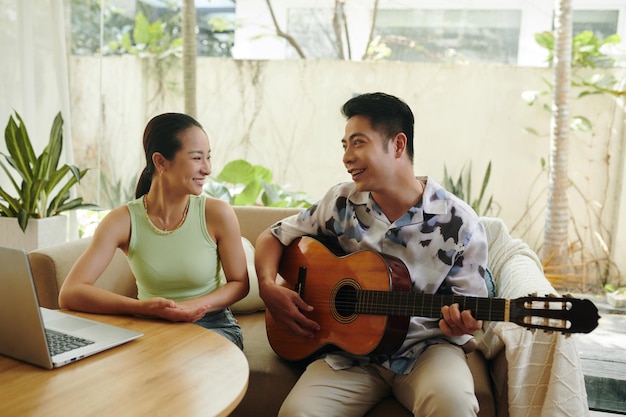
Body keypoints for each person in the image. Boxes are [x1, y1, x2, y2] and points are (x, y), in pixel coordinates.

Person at [254, 92, 488, 416]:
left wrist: (461, 324)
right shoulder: (341, 202)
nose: (347, 157)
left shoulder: (460, 223)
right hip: (348, 356)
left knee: (453, 406)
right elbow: (274, 236)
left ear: (398, 145)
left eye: (358, 143)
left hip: (426, 352)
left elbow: (472, 313)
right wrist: (267, 286)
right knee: (297, 413)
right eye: (345, 145)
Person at [58, 112, 249, 349]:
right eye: (197, 158)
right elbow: (71, 292)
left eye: (208, 158)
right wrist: (141, 308)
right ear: (160, 162)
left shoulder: (217, 213)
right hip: (151, 327)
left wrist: (191, 306)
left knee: (182, 365)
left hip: (213, 325)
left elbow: (240, 283)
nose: (207, 169)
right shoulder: (122, 221)